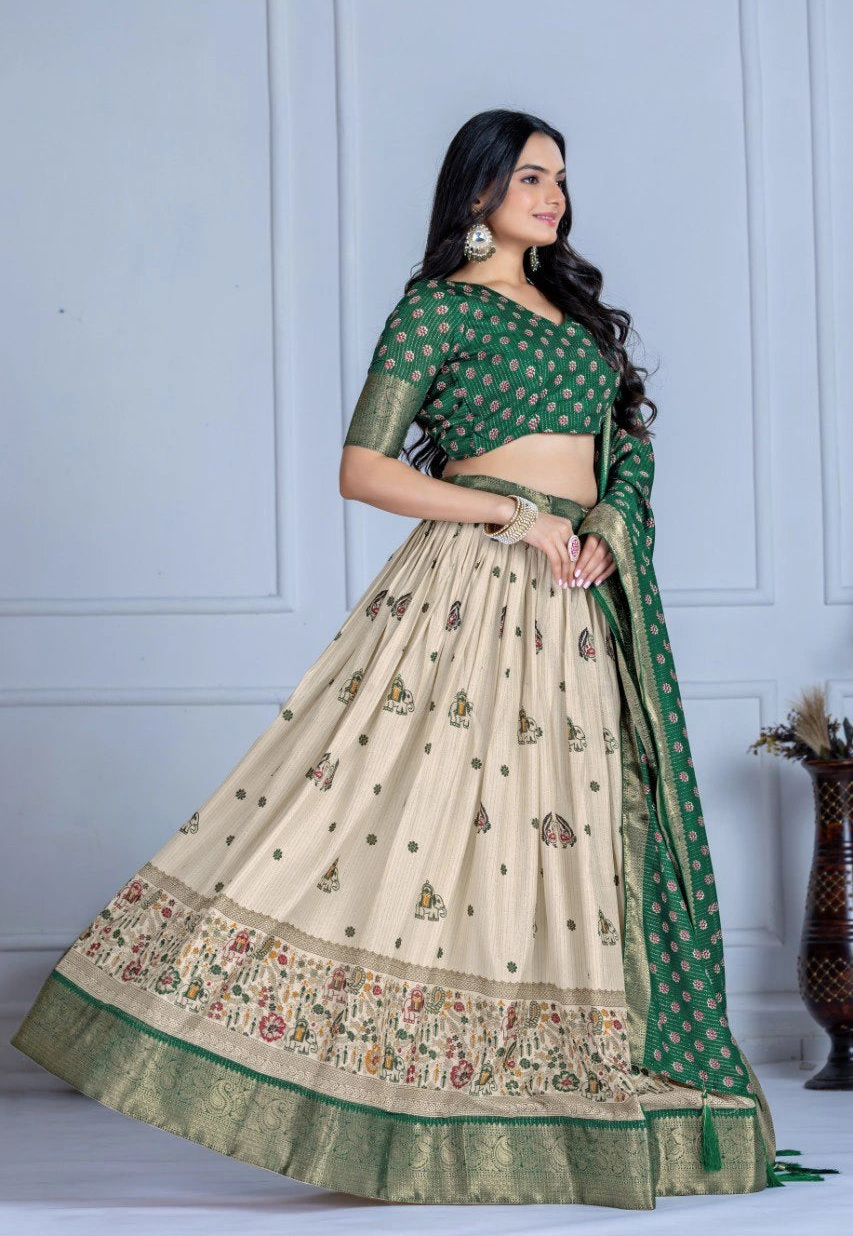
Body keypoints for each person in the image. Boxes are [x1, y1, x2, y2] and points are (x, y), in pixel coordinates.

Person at [10, 108, 828, 1209]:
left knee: (564, 828)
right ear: (478, 190)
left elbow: (625, 446)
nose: (552, 194)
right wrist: (509, 515)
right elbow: (364, 467)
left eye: (559, 177)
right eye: (529, 175)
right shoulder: (436, 309)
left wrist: (602, 522)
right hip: (474, 588)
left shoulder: (573, 316)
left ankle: (540, 1096)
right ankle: (377, 1088)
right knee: (409, 815)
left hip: (581, 597)